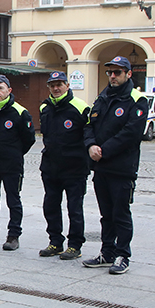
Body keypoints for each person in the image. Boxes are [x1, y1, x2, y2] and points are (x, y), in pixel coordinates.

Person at [83, 56, 147, 274]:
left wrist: (104, 150)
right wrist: (91, 145)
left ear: (129, 74)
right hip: (101, 167)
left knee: (121, 213)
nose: (112, 76)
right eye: (110, 72)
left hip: (122, 167)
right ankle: (107, 252)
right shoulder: (103, 97)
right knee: (106, 214)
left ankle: (123, 254)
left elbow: (131, 133)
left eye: (117, 72)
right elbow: (90, 125)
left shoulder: (137, 99)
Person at [0, 75, 37, 250]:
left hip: (11, 165)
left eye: (0, 88)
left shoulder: (20, 112)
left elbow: (29, 139)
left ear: (9, 90)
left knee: (13, 200)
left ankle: (13, 235)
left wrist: (14, 153)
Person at [37, 70, 91, 260]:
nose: (56, 88)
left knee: (74, 208)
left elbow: (89, 136)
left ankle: (75, 245)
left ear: (67, 86)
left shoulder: (80, 108)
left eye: (59, 84)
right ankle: (55, 242)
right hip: (51, 167)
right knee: (50, 206)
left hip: (74, 167)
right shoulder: (45, 108)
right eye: (52, 85)